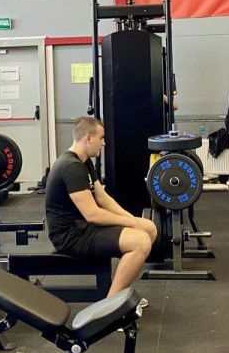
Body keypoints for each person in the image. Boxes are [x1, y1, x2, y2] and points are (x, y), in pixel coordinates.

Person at [45, 116, 157, 296]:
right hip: (70, 236)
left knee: (149, 228)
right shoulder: (71, 167)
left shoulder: (84, 161)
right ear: (88, 138)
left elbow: (103, 198)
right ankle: (112, 303)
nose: (104, 143)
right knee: (140, 242)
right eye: (101, 138)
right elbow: (93, 215)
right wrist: (130, 223)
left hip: (84, 228)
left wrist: (131, 219)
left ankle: (120, 291)